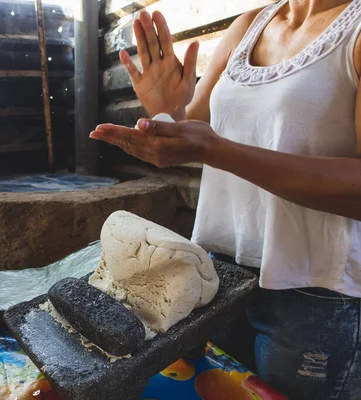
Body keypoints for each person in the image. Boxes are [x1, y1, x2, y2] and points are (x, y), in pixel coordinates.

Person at [90, 1, 361, 398]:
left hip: (315, 294)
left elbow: (214, 146)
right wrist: (166, 109)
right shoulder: (248, 25)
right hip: (221, 272)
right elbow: (193, 130)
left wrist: (217, 150)